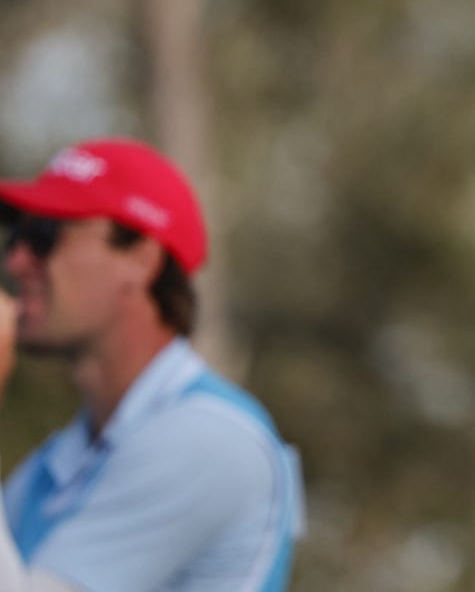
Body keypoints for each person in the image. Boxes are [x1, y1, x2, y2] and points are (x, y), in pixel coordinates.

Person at [0, 138, 303, 591]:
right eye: (16, 236)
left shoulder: (211, 439)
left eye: (44, 235)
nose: (16, 259)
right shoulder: (53, 465)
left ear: (141, 259)